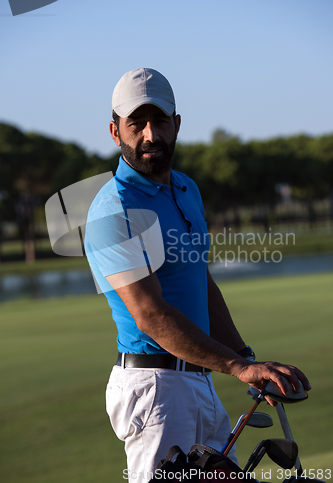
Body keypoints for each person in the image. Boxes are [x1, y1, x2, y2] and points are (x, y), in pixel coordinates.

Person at [84, 68, 311, 482]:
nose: (151, 135)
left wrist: (245, 358)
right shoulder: (113, 209)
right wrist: (237, 368)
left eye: (161, 121)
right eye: (137, 124)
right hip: (153, 389)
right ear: (116, 132)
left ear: (178, 125)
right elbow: (151, 315)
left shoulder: (186, 189)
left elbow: (201, 283)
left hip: (199, 381)